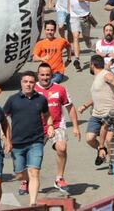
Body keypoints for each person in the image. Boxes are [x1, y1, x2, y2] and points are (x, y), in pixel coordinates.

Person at [3, 71, 54, 206]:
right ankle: (24, 180)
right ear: (21, 83)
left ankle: (33, 204)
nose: (28, 85)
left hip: (36, 142)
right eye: (25, 82)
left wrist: (50, 126)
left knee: (34, 172)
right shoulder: (12, 100)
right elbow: (2, 119)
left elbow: (47, 115)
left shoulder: (41, 99)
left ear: (34, 83)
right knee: (19, 174)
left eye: (31, 82)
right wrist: (5, 139)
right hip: (17, 144)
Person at [34, 63, 80, 194]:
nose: (45, 77)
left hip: (56, 124)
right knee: (32, 155)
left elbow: (70, 107)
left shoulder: (60, 89)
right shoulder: (32, 89)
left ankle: (59, 178)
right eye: (42, 75)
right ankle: (26, 180)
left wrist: (75, 127)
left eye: (48, 75)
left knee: (62, 147)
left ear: (52, 75)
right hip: (36, 127)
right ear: (38, 75)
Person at [80, 55, 114, 172]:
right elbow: (97, 96)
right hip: (96, 114)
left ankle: (113, 162)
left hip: (110, 114)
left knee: (109, 140)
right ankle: (102, 149)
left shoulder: (106, 74)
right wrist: (85, 106)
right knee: (89, 138)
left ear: (92, 65)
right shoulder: (97, 78)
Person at [67, 0, 100, 71]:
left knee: (86, 40)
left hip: (85, 17)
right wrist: (69, 10)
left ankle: (92, 45)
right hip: (74, 17)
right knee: (75, 37)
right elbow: (69, 0)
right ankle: (77, 59)